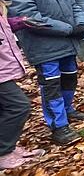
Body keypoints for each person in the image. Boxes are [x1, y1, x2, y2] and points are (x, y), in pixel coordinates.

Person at [3, 0, 84, 145]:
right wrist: (68, 29)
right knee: (52, 85)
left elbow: (74, 4)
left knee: (69, 78)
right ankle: (58, 126)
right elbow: (30, 18)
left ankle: (68, 109)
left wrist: (83, 23)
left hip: (67, 43)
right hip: (45, 47)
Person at [0, 9, 45, 169]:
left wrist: (18, 22)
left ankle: (8, 148)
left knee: (4, 108)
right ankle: (3, 152)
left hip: (4, 67)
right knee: (18, 106)